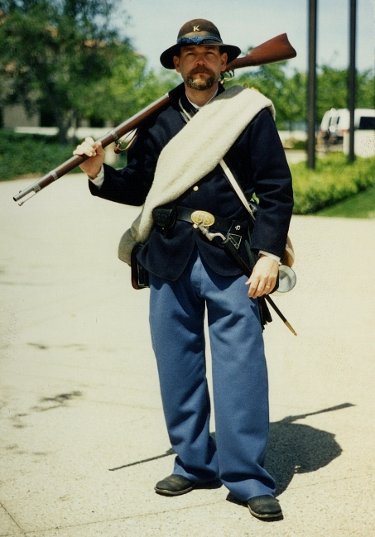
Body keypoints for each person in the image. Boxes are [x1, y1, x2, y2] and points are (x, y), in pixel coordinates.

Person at [74, 19, 293, 522]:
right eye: (189, 53)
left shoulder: (248, 112)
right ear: (176, 63)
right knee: (178, 368)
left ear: (224, 61)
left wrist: (269, 254)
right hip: (169, 257)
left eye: (209, 51)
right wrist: (98, 172)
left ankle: (246, 478)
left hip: (231, 257)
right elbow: (141, 189)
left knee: (241, 371)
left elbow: (277, 190)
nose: (199, 59)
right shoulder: (157, 119)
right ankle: (194, 463)